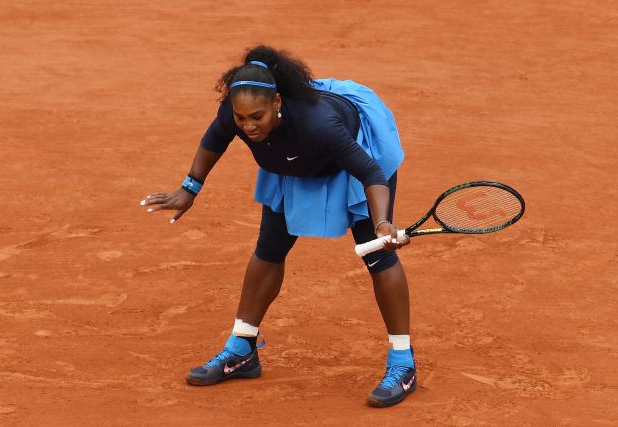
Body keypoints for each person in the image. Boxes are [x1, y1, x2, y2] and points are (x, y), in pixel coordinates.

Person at [140, 45, 415, 408]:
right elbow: (214, 140)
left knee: (378, 258)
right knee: (269, 250)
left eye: (257, 116)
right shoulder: (237, 113)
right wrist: (189, 188)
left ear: (277, 103)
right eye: (241, 119)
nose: (248, 126)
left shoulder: (320, 124)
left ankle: (403, 363)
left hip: (356, 158)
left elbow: (371, 174)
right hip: (293, 161)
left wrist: (382, 223)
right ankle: (242, 348)